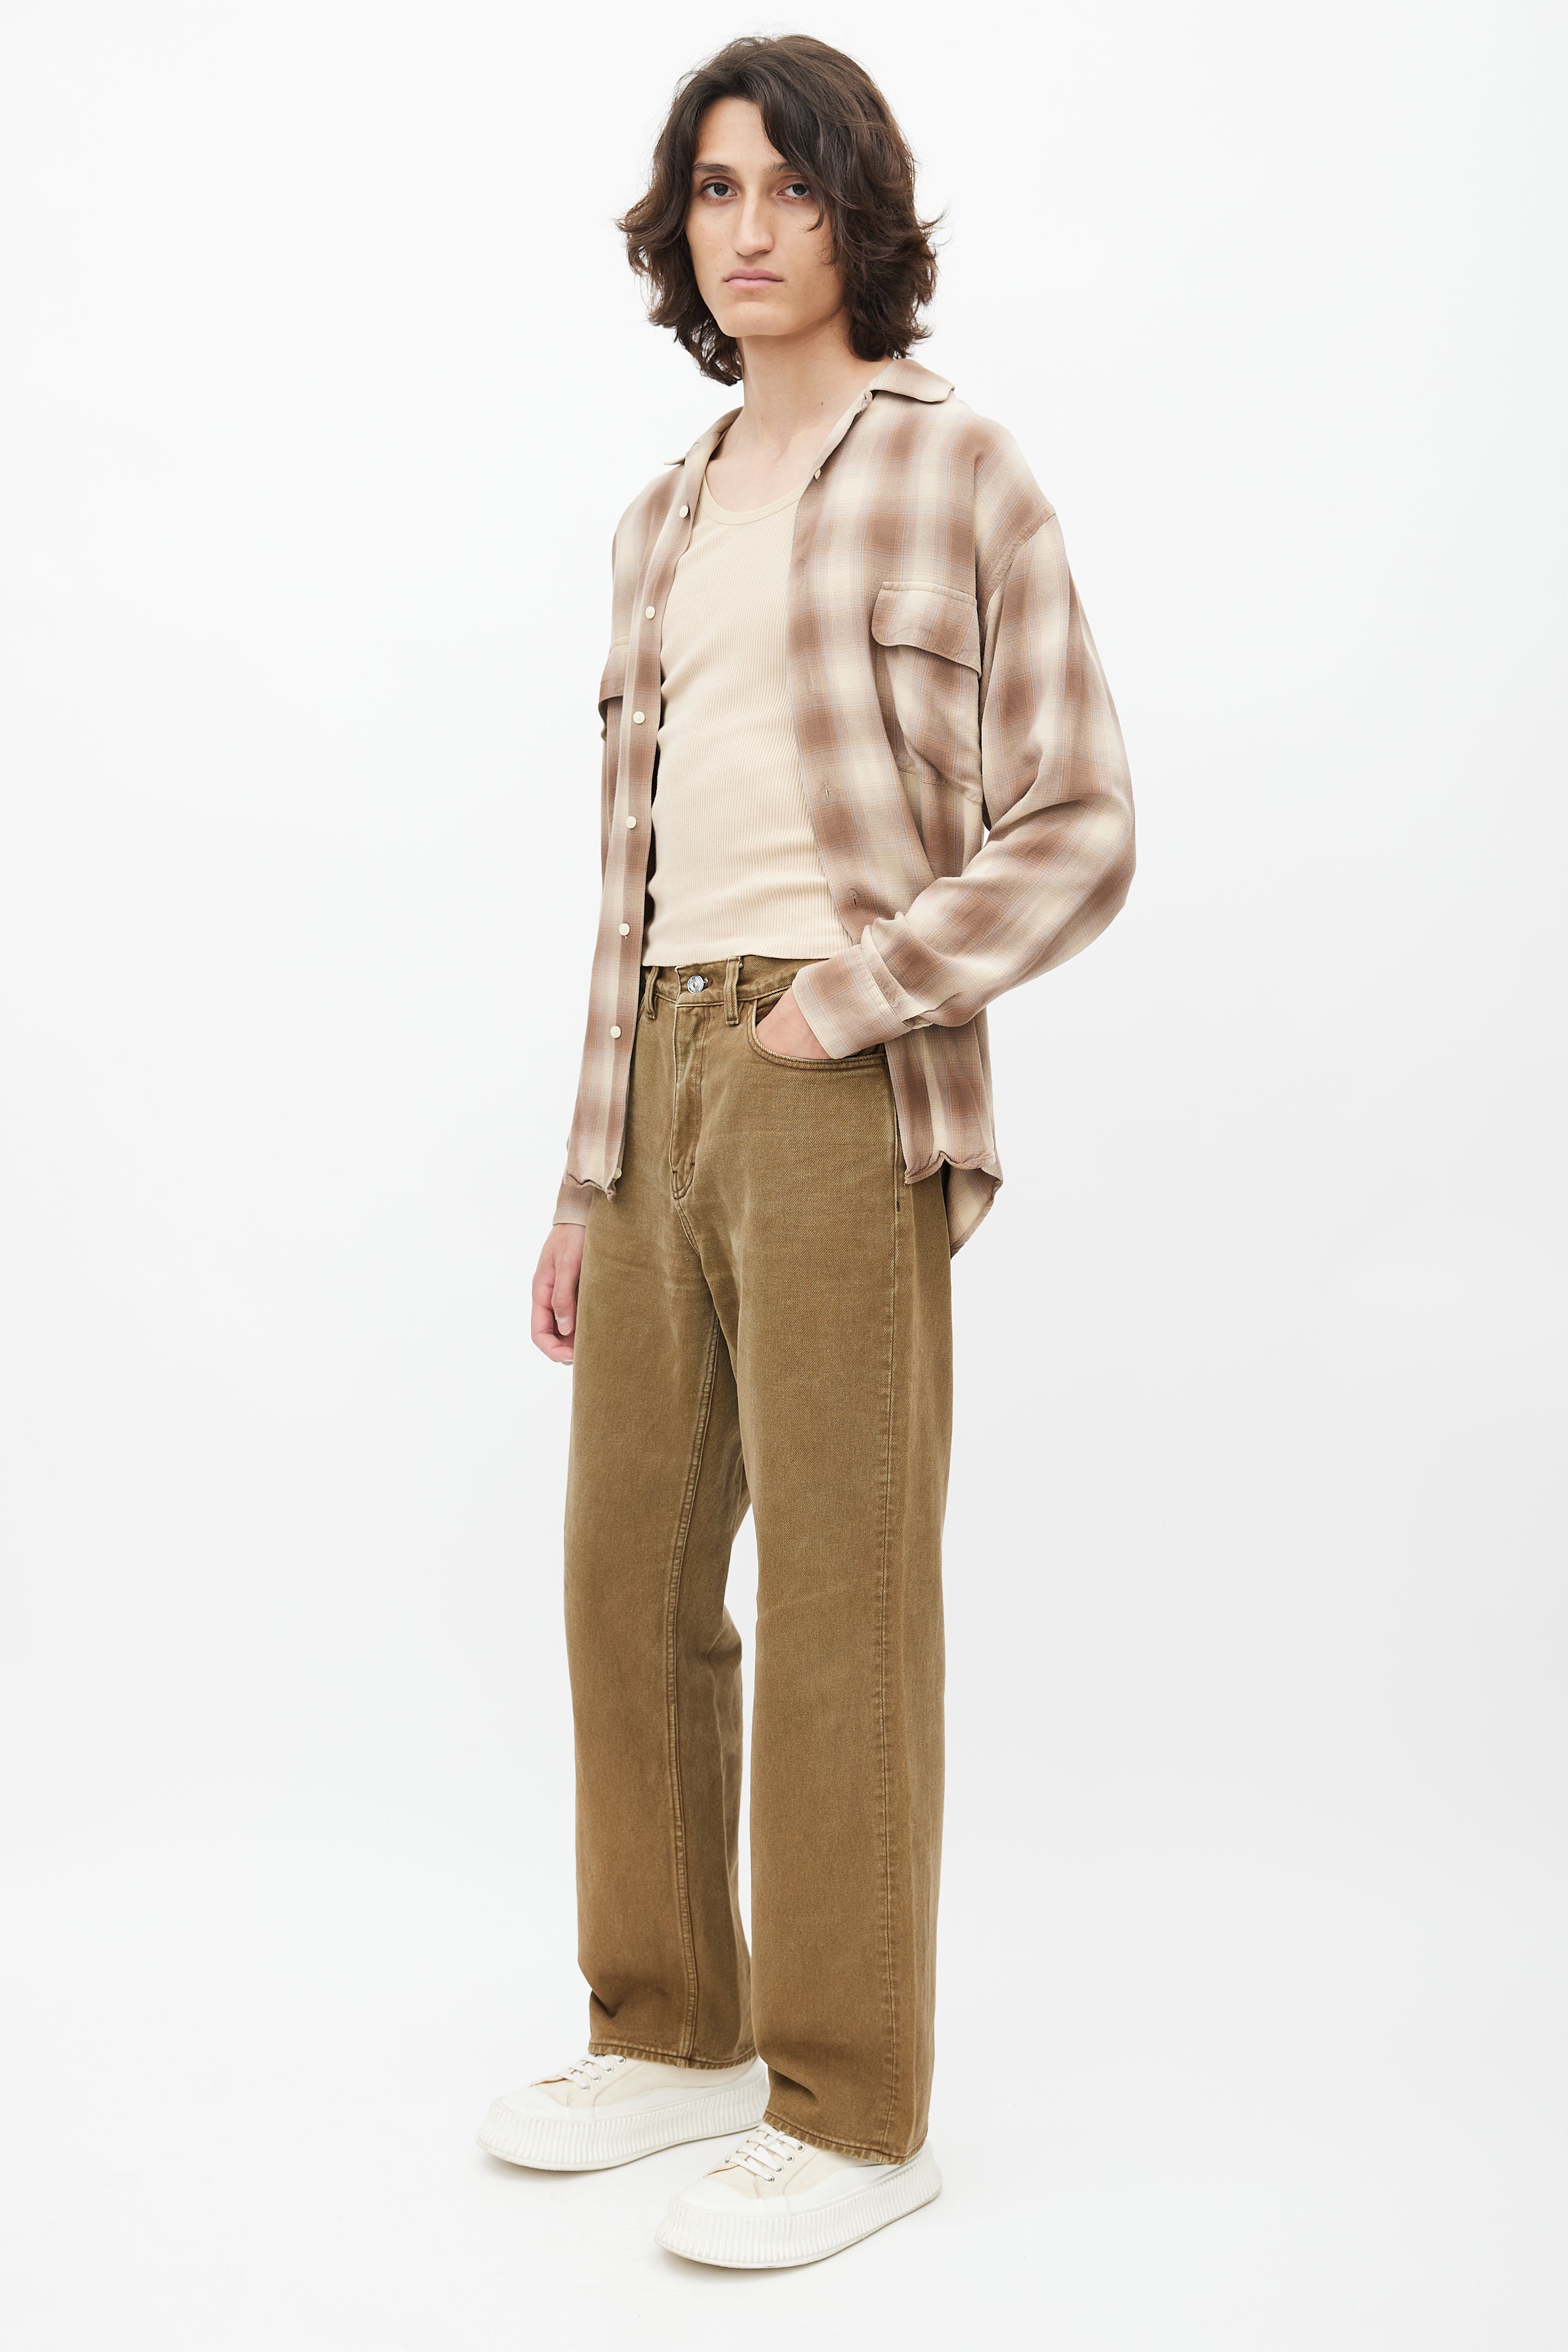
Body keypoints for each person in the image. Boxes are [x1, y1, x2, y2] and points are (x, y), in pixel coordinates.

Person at [478, 32, 1134, 2269]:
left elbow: (1079, 821)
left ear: (861, 215)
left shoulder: (956, 470)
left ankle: (858, 2115)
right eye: (713, 189)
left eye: (789, 187)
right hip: (657, 1079)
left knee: (845, 1597)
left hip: (837, 1077)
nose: (746, 229)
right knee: (625, 1581)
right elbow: (628, 886)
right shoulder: (655, 520)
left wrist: (850, 999)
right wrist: (584, 1174)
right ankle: (674, 2030)